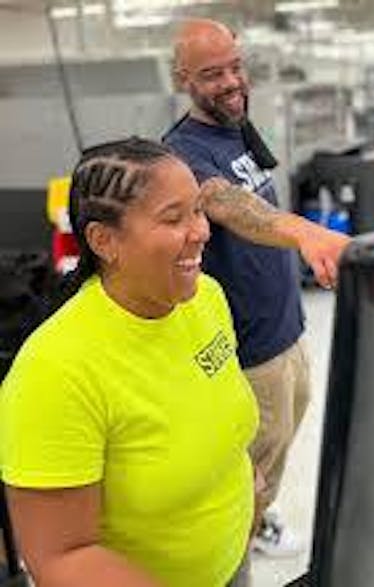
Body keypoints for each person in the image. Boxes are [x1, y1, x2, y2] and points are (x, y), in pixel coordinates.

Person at [0, 137, 259, 587]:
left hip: (229, 564)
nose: (201, 231)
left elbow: (217, 413)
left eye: (198, 210)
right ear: (104, 240)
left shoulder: (207, 300)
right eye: (173, 218)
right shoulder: (55, 371)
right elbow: (62, 558)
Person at [163, 18, 350, 557]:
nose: (229, 82)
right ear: (182, 80)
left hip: (287, 329)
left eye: (235, 67)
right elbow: (229, 205)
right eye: (211, 73)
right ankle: (233, 552)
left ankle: (255, 523)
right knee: (250, 467)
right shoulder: (182, 152)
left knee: (279, 447)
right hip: (248, 350)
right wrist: (308, 233)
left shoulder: (239, 131)